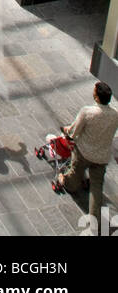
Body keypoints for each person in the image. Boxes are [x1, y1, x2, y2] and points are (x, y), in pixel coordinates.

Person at [58, 81, 118, 220]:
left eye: (94, 91)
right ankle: (94, 219)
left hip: (84, 153)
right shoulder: (115, 114)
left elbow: (73, 132)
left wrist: (66, 130)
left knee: (74, 175)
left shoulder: (87, 112)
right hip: (102, 156)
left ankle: (66, 181)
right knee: (97, 187)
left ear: (97, 97)